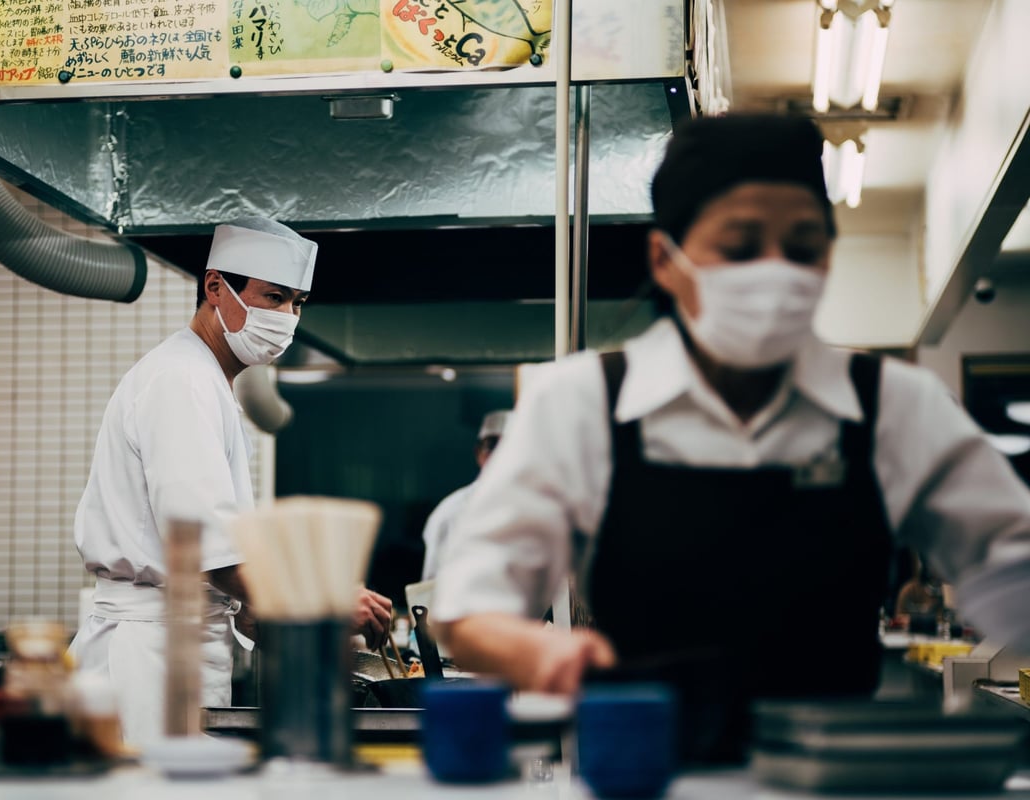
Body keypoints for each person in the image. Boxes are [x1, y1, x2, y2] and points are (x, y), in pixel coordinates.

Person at [432, 114, 1030, 762]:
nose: (775, 272)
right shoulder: (581, 404)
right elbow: (468, 610)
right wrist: (541, 651)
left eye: (802, 248)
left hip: (832, 780)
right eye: (741, 248)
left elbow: (1013, 566)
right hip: (646, 777)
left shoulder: (895, 405)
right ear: (665, 260)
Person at [70, 217, 393, 747]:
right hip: (147, 660)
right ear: (215, 287)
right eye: (274, 297)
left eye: (297, 303)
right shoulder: (180, 380)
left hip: (178, 646)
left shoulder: (206, 381)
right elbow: (211, 551)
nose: (287, 317)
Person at [421, 409, 513, 581]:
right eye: (492, 446)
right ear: (478, 453)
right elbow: (433, 587)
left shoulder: (538, 506)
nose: (501, 455)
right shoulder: (450, 512)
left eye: (509, 446)